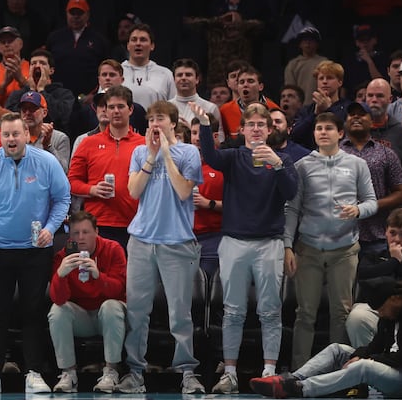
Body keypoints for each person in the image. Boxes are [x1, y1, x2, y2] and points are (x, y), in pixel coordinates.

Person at [192, 102, 298, 393]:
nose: (255, 129)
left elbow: (291, 192)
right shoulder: (235, 156)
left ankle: (269, 370)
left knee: (270, 310)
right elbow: (211, 157)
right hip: (234, 242)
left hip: (270, 243)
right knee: (233, 310)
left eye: (260, 124)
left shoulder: (283, 159)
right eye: (250, 124)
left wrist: (276, 165)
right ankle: (229, 373)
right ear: (242, 130)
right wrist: (204, 125)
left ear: (269, 129)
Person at [0, 112, 70, 394]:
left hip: (36, 250)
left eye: (16, 134)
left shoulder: (46, 162)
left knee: (33, 312)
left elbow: (62, 199)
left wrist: (51, 227)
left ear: (27, 135)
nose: (11, 139)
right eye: (6, 134)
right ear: (0, 136)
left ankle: (34, 372)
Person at [117, 100, 205, 395]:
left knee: (180, 313)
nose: (155, 124)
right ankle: (135, 372)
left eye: (160, 119)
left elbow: (183, 191)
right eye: (151, 119)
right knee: (137, 312)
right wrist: (152, 156)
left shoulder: (189, 152)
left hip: (177, 243)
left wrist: (166, 153)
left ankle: (187, 373)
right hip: (141, 241)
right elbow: (133, 190)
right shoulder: (140, 152)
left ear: (173, 122)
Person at [284, 112, 377, 370]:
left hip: (345, 249)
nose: (322, 132)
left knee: (341, 314)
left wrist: (358, 210)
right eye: (318, 128)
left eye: (328, 128)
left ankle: (338, 372)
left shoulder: (357, 164)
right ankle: (299, 371)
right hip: (309, 248)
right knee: (305, 314)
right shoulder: (302, 165)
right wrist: (287, 245)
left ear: (340, 134)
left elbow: (371, 201)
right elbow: (292, 209)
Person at [249, 277, 402, 398]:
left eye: (382, 309)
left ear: (395, 299)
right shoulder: (388, 319)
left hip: (401, 379)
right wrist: (359, 354)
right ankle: (290, 379)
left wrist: (371, 359)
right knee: (337, 349)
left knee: (363, 367)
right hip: (389, 368)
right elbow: (374, 347)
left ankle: (300, 388)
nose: (381, 314)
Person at [47, 211, 127, 393]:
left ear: (96, 231)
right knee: (57, 310)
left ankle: (111, 371)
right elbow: (58, 299)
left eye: (86, 232)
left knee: (110, 306)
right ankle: (68, 373)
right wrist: (60, 275)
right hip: (82, 317)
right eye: (76, 233)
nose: (81, 237)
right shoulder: (63, 256)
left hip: (109, 316)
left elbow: (119, 290)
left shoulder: (113, 249)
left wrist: (99, 276)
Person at [68, 85, 145, 249]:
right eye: (111, 107)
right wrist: (91, 190)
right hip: (97, 223)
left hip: (135, 223)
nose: (116, 111)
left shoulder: (143, 145)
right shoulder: (88, 143)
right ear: (106, 111)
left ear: (130, 109)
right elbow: (72, 181)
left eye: (121, 106)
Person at [340, 101, 402, 257]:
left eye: (361, 114)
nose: (356, 117)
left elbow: (401, 192)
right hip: (341, 236)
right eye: (351, 114)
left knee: (378, 281)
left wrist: (371, 206)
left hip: (376, 236)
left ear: (372, 121)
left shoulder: (386, 153)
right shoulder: (333, 153)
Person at [346, 208, 402, 348]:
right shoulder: (374, 255)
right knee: (356, 317)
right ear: (385, 232)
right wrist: (394, 261)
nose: (397, 239)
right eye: (393, 233)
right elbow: (363, 276)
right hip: (376, 307)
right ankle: (370, 358)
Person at [46, 0, 110, 98]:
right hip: (58, 97)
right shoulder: (54, 38)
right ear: (66, 14)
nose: (76, 17)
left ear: (87, 15)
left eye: (79, 13)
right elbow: (46, 65)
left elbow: (107, 69)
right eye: (72, 13)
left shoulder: (99, 40)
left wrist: (95, 94)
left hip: (87, 98)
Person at [5, 48, 75, 134]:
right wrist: (31, 91)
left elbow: (62, 117)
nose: (37, 66)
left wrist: (41, 91)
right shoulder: (17, 94)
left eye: (42, 63)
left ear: (51, 70)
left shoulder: (64, 94)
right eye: (33, 63)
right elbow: (9, 119)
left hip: (54, 138)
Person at [190, 115, 224, 278]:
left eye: (202, 133)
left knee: (211, 291)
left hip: (214, 239)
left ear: (215, 136)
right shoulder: (181, 164)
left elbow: (237, 206)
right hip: (184, 239)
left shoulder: (224, 165)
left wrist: (208, 203)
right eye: (194, 133)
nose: (197, 138)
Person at [291, 60, 351, 149]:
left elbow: (344, 133)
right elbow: (295, 136)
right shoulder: (307, 110)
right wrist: (315, 114)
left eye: (330, 78)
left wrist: (328, 110)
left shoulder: (349, 108)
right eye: (321, 78)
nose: (325, 81)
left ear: (340, 82)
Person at [219, 66, 279, 142]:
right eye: (242, 82)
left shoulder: (273, 109)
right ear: (237, 87)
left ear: (260, 86)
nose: (245, 85)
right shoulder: (224, 110)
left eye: (250, 81)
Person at [169, 58, 223, 141]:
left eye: (188, 75)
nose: (183, 78)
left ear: (197, 79)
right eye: (179, 75)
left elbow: (220, 140)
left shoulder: (210, 108)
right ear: (174, 79)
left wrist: (192, 132)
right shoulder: (166, 108)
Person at [121, 23, 175, 103]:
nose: (138, 43)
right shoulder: (115, 72)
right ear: (128, 45)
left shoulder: (166, 74)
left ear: (152, 46)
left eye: (143, 40)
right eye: (134, 40)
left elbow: (175, 108)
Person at [19, 91, 70, 171]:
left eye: (33, 109)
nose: (27, 113)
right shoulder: (15, 138)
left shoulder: (60, 138)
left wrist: (48, 146)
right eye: (24, 109)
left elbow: (63, 170)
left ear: (44, 113)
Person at [0, 26, 29, 106]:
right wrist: (3, 85)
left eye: (10, 41)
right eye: (3, 42)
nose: (6, 44)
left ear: (21, 43)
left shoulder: (32, 68)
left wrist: (21, 80)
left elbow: (41, 96)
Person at [365, 78, 402, 163]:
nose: (374, 100)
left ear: (390, 99)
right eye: (370, 95)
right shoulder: (354, 129)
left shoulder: (400, 132)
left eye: (380, 96)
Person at [342, 25, 386, 93]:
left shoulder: (382, 58)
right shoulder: (350, 60)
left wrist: (369, 61)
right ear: (357, 43)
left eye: (368, 39)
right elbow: (345, 86)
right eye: (361, 40)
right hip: (354, 97)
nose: (365, 42)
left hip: (376, 94)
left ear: (374, 40)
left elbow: (381, 82)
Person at [284, 27, 326, 97]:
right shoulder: (293, 64)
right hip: (299, 106)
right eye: (304, 40)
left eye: (311, 40)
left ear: (317, 44)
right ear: (300, 44)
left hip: (320, 104)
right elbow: (289, 89)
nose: (308, 43)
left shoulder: (324, 63)